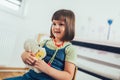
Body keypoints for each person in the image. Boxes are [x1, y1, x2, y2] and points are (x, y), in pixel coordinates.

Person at [4, 9, 77, 80]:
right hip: (30, 77)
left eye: (61, 24)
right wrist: (24, 55)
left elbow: (68, 76)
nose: (56, 27)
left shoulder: (70, 49)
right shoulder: (44, 42)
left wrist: (47, 69)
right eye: (54, 24)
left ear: (69, 27)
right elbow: (31, 54)